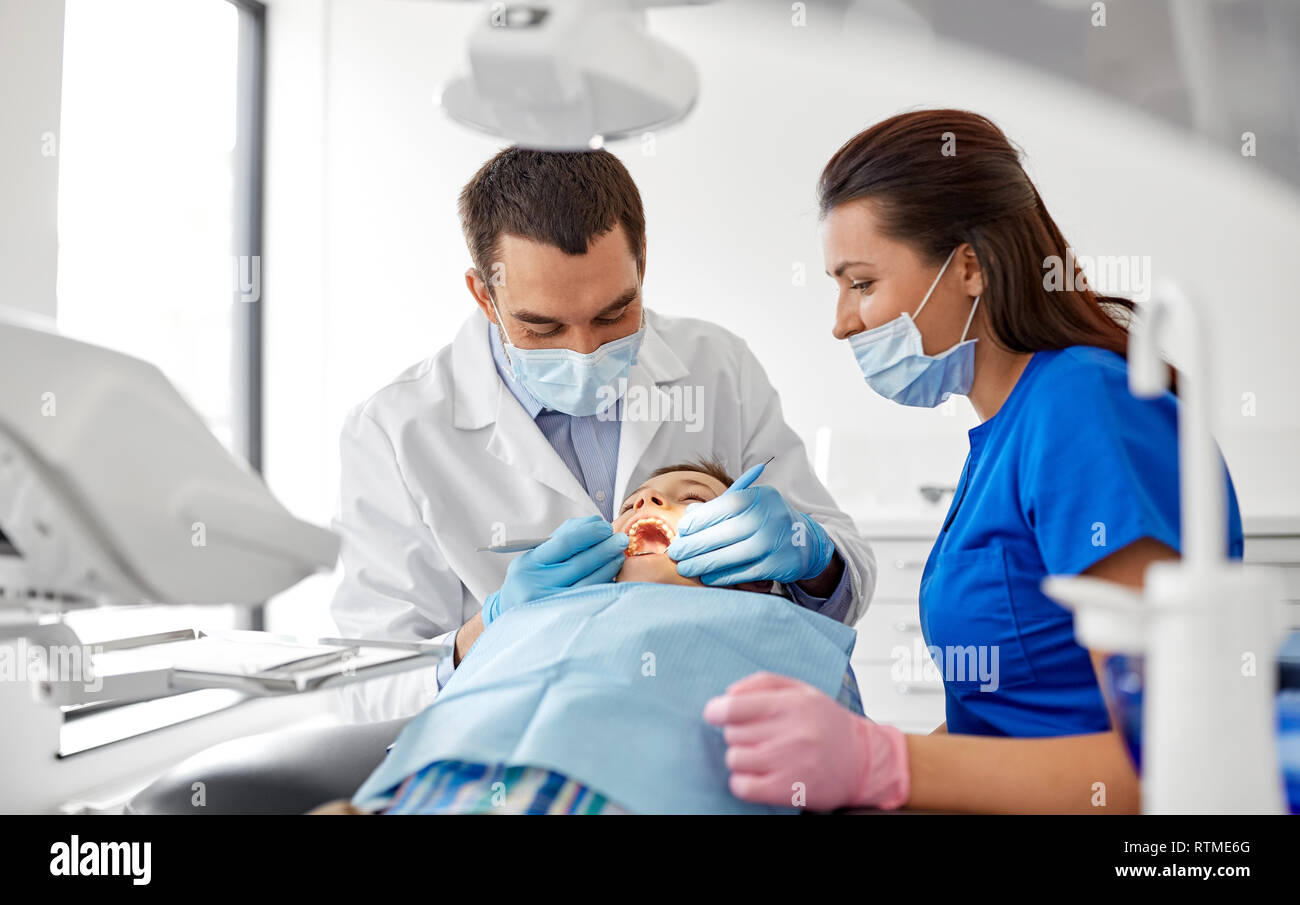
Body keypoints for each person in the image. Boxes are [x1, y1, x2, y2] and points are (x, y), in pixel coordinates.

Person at [706, 109, 1244, 814]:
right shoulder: (1006, 432)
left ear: (969, 267)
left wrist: (883, 762)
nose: (840, 321)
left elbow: (1172, 756)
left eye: (861, 283)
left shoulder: (1084, 406)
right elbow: (1008, 719)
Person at [330, 148, 876, 723]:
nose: (585, 350)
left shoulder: (718, 366)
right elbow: (368, 687)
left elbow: (845, 581)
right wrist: (489, 630)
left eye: (614, 315)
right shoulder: (393, 431)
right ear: (484, 296)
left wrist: (810, 557)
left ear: (641, 266)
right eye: (542, 327)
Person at [333, 461, 865, 815]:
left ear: (753, 563)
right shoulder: (523, 617)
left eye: (693, 497)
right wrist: (493, 619)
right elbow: (395, 704)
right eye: (632, 504)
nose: (648, 500)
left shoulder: (789, 633)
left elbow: (847, 772)